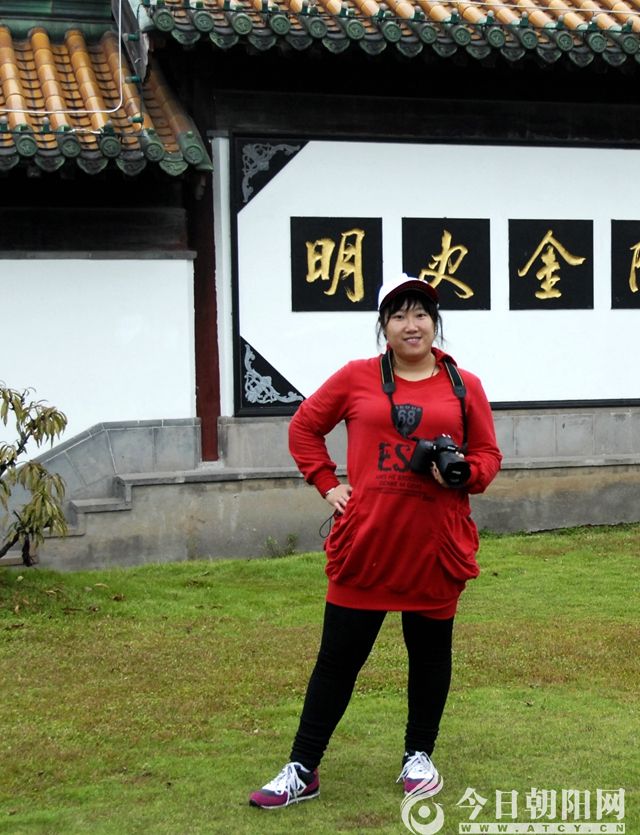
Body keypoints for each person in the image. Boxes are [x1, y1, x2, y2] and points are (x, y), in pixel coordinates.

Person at [249, 273, 502, 810]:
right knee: (337, 661)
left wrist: (464, 474)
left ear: (435, 324)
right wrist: (327, 483)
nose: (412, 325)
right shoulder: (355, 377)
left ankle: (419, 756)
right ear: (383, 327)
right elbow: (303, 427)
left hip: (435, 547)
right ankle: (302, 768)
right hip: (366, 545)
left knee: (429, 658)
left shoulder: (465, 386)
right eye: (399, 315)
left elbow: (488, 455)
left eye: (421, 314)